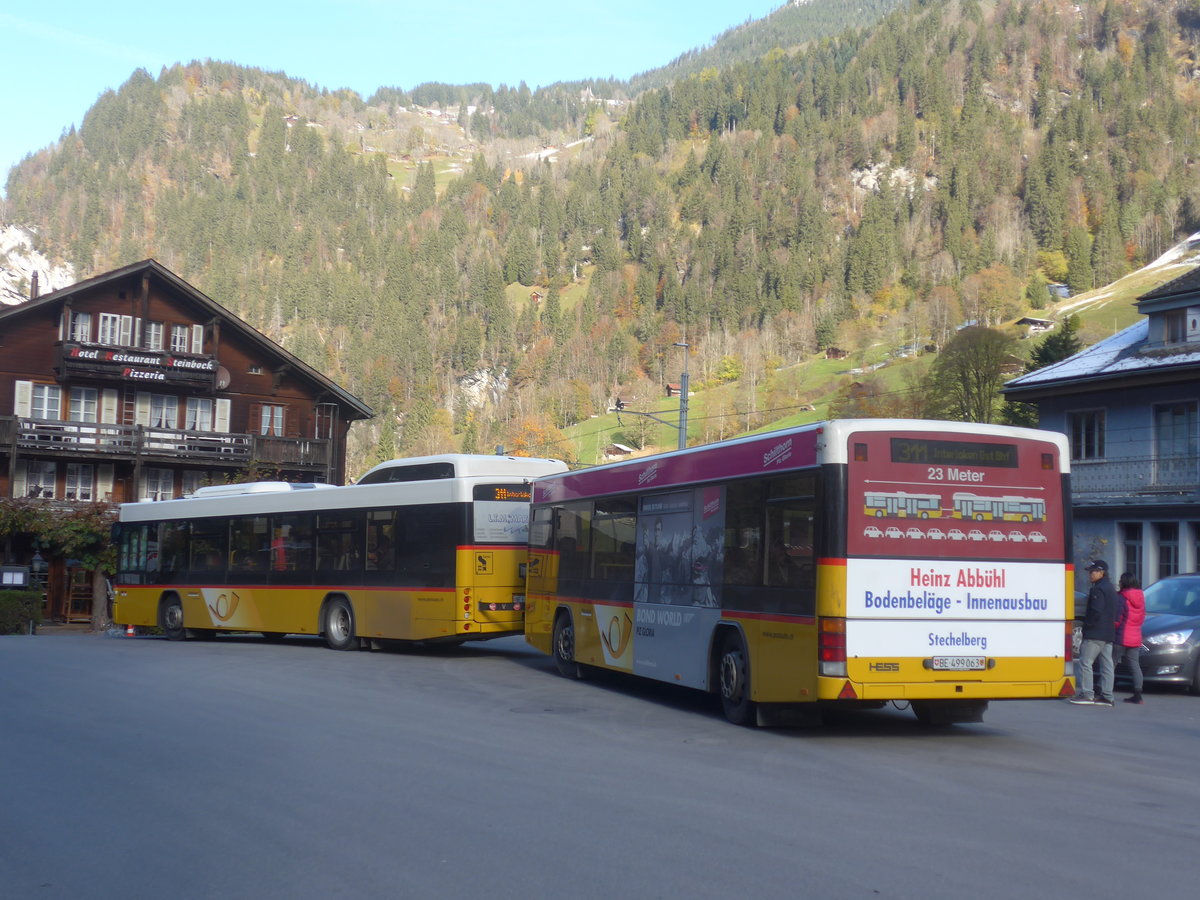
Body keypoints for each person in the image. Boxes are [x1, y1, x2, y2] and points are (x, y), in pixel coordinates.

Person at [1069, 559, 1119, 707]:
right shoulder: (1110, 588)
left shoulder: (1098, 589)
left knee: (1085, 662)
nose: (1090, 574)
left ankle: (1087, 694)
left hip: (1095, 633)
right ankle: (1107, 696)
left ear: (1101, 572)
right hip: (1108, 632)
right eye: (1090, 572)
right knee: (1107, 665)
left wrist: (1087, 625)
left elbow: (1095, 611)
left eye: (1093, 571)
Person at [1113, 572, 1146, 704]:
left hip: (1121, 636)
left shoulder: (1122, 597)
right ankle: (1138, 695)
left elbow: (1117, 618)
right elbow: (1142, 617)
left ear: (1124, 582)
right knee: (1135, 665)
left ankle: (1103, 690)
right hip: (1136, 636)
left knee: (1111, 663)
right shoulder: (1141, 597)